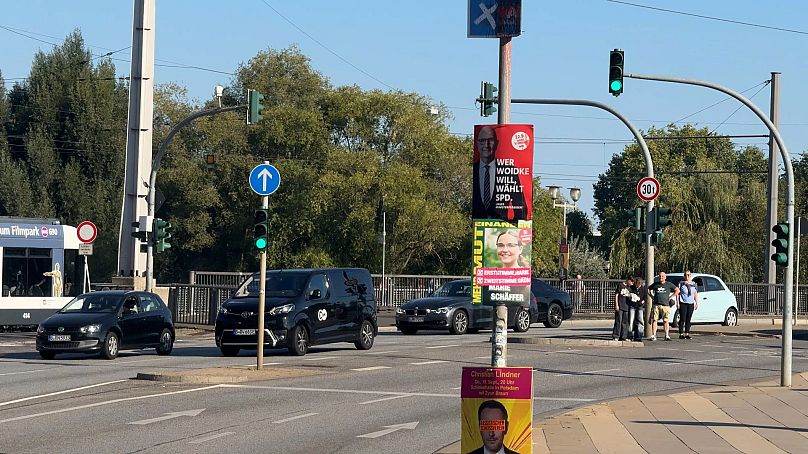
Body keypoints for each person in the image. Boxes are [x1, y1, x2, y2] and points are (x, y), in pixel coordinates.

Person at [472, 126, 527, 222]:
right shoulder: (473, 170)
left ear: (496, 143)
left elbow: (520, 208)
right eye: (482, 141)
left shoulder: (509, 171)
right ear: (477, 144)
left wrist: (512, 230)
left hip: (503, 230)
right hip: (478, 230)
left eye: (490, 140)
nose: (486, 145)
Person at [648, 272, 679, 341]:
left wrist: (671, 297)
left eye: (662, 276)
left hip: (665, 305)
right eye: (660, 276)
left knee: (665, 320)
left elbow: (677, 290)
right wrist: (651, 296)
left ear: (665, 277)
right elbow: (648, 289)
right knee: (655, 320)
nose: (661, 277)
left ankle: (667, 335)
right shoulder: (655, 284)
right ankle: (653, 335)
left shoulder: (668, 284)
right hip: (656, 305)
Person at [677, 271, 699, 339]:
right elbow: (678, 293)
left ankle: (687, 333)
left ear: (690, 275)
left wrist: (696, 302)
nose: (687, 276)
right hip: (683, 302)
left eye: (688, 275)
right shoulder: (681, 283)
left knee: (688, 319)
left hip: (690, 303)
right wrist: (677, 303)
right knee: (682, 318)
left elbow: (695, 293)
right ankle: (681, 333)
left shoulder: (694, 284)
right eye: (686, 275)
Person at [612, 276, 633, 341]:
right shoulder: (620, 285)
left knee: (625, 322)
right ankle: (616, 336)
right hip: (620, 306)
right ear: (628, 280)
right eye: (631, 282)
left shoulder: (629, 288)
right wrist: (616, 304)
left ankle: (623, 336)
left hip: (626, 307)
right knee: (618, 321)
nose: (632, 283)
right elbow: (616, 295)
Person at [629, 277, 646, 341]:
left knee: (640, 321)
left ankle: (639, 336)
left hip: (640, 306)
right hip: (632, 305)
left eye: (639, 284)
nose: (638, 286)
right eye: (637, 284)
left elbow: (645, 297)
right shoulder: (632, 288)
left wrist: (643, 301)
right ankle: (630, 335)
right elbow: (629, 295)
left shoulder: (643, 289)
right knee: (631, 321)